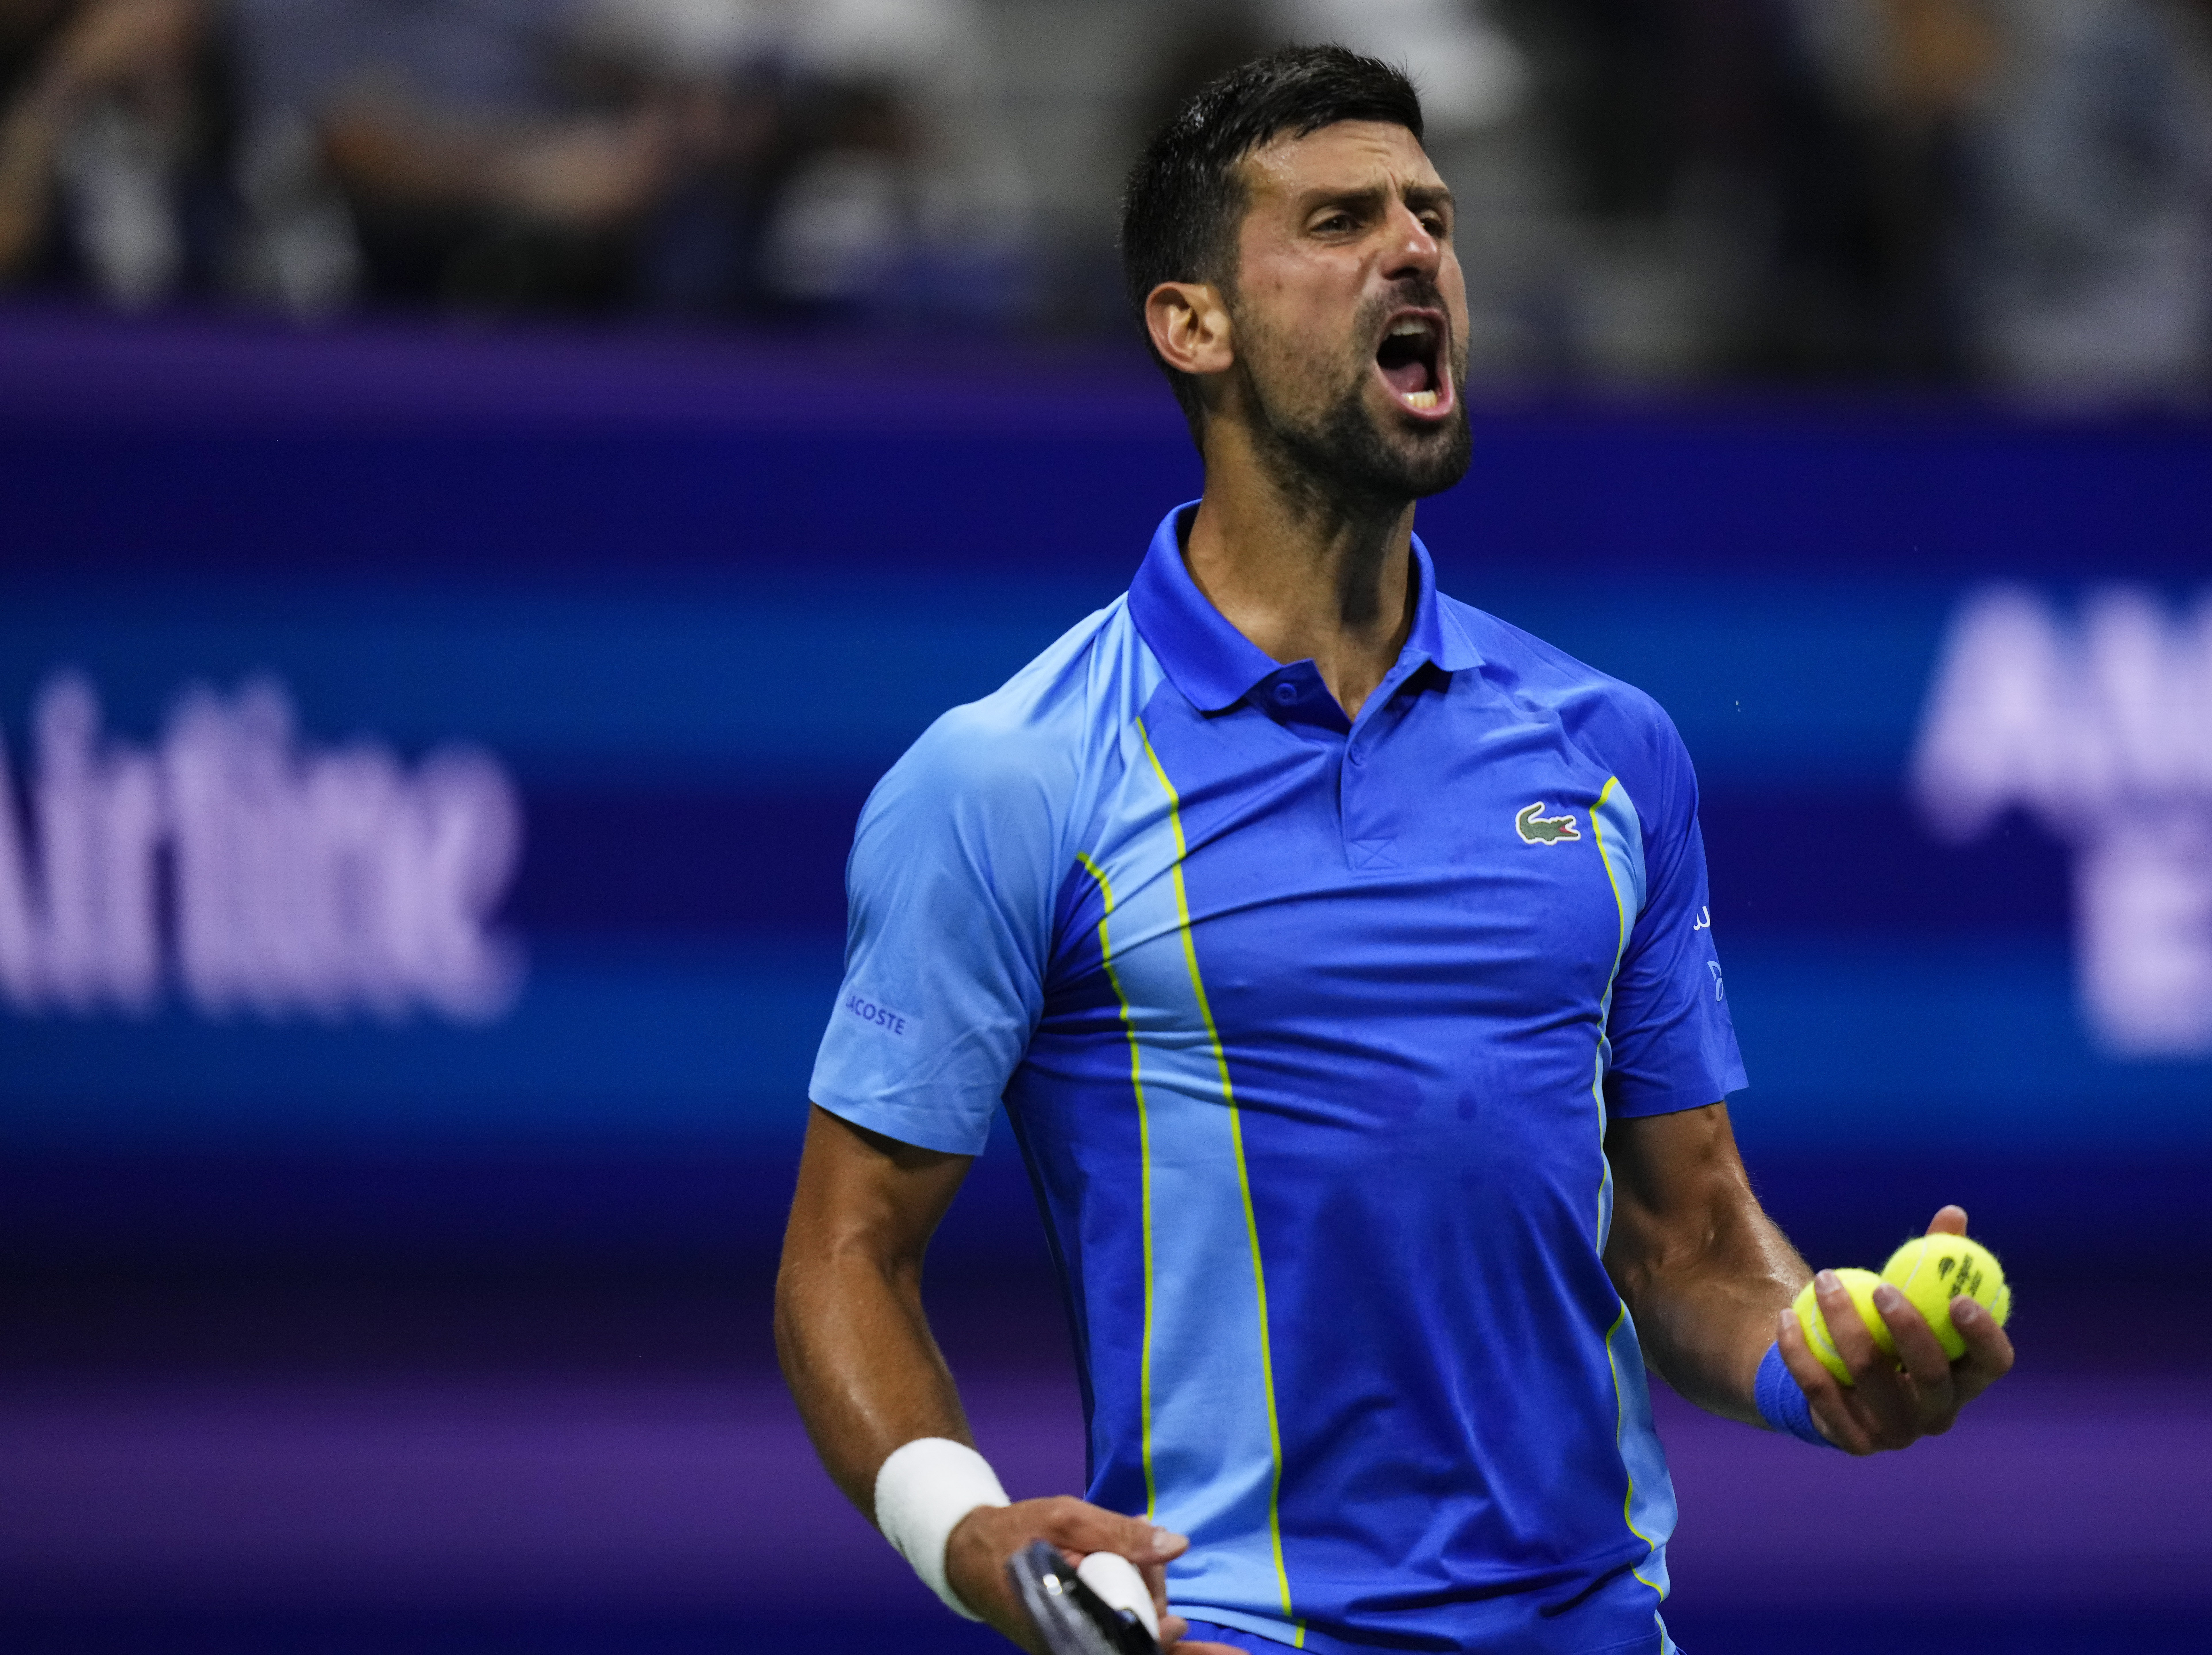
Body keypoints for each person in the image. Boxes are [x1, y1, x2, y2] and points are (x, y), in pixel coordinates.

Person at [775, 44, 2015, 1655]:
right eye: (1339, 220)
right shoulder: (1011, 779)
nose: (1416, 247)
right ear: (1192, 325)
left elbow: (1689, 1231)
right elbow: (845, 1252)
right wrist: (968, 1530)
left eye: (1431, 213)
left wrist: (1815, 1354)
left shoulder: (1612, 748)